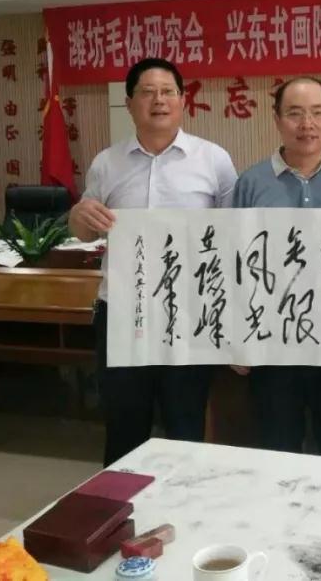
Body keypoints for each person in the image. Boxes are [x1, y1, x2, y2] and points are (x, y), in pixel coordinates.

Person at [69, 57, 238, 466]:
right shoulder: (107, 163)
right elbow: (86, 231)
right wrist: (78, 216)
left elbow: (233, 235)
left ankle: (183, 498)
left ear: (183, 100)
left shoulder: (213, 160)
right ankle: (122, 502)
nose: (158, 100)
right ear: (129, 104)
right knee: (124, 424)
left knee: (185, 423)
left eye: (167, 92)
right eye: (147, 93)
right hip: (123, 312)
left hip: (189, 313)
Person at [232, 76, 321, 458]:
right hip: (273, 343)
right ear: (276, 119)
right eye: (295, 113)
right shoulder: (251, 184)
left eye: (317, 113)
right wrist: (238, 339)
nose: (306, 124)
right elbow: (236, 265)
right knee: (278, 448)